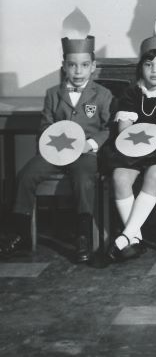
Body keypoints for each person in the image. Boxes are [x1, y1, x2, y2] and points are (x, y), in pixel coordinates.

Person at [0, 21, 112, 263]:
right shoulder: (53, 94)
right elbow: (44, 124)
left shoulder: (102, 95)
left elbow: (109, 129)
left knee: (84, 179)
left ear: (93, 67)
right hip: (55, 153)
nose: (78, 71)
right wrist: (51, 140)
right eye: (72, 65)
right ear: (64, 66)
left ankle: (83, 235)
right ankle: (19, 233)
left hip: (85, 154)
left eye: (84, 65)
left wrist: (90, 146)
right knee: (26, 175)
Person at [101, 25, 156, 262]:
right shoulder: (131, 95)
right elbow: (124, 129)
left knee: (154, 174)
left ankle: (124, 236)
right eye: (149, 65)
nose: (154, 70)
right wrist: (141, 144)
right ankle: (135, 238)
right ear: (140, 67)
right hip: (132, 149)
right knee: (119, 177)